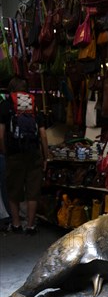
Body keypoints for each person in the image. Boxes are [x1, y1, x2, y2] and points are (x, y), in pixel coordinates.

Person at [0, 76, 49, 235]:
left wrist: (5, 151)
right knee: (32, 190)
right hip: (34, 153)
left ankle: (16, 224)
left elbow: (0, 135)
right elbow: (43, 135)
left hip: (14, 153)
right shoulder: (34, 105)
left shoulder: (6, 105)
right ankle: (30, 225)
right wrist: (46, 156)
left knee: (14, 189)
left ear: (11, 90)